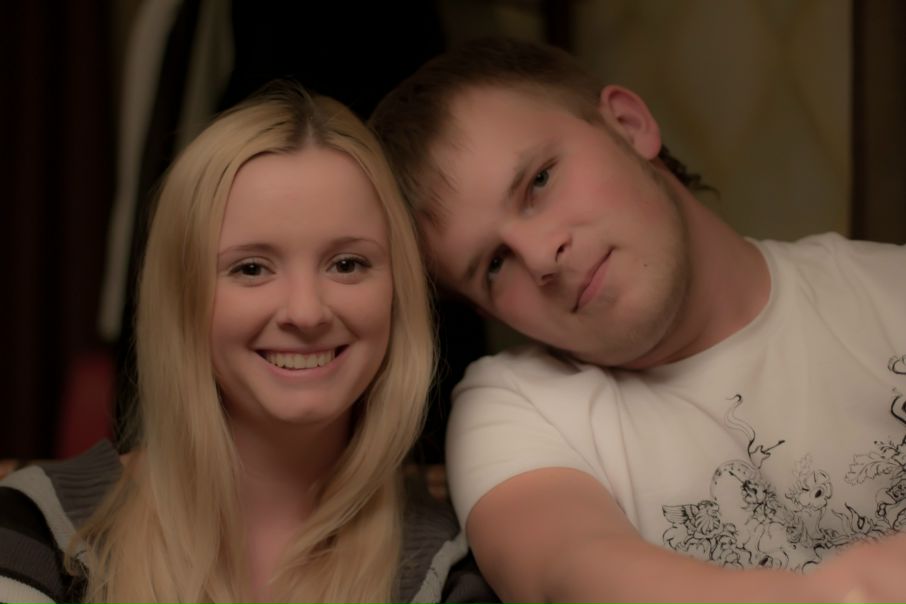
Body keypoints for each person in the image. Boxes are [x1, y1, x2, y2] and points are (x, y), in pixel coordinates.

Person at [369, 37, 906, 602]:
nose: (540, 256)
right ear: (485, 309)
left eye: (539, 182)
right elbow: (569, 571)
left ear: (628, 125)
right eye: (494, 264)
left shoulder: (889, 288)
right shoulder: (518, 409)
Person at [0, 81, 495, 603]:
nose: (306, 312)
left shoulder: (456, 564)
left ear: (399, 291)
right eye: (252, 268)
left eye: (347, 264)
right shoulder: (35, 527)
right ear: (182, 298)